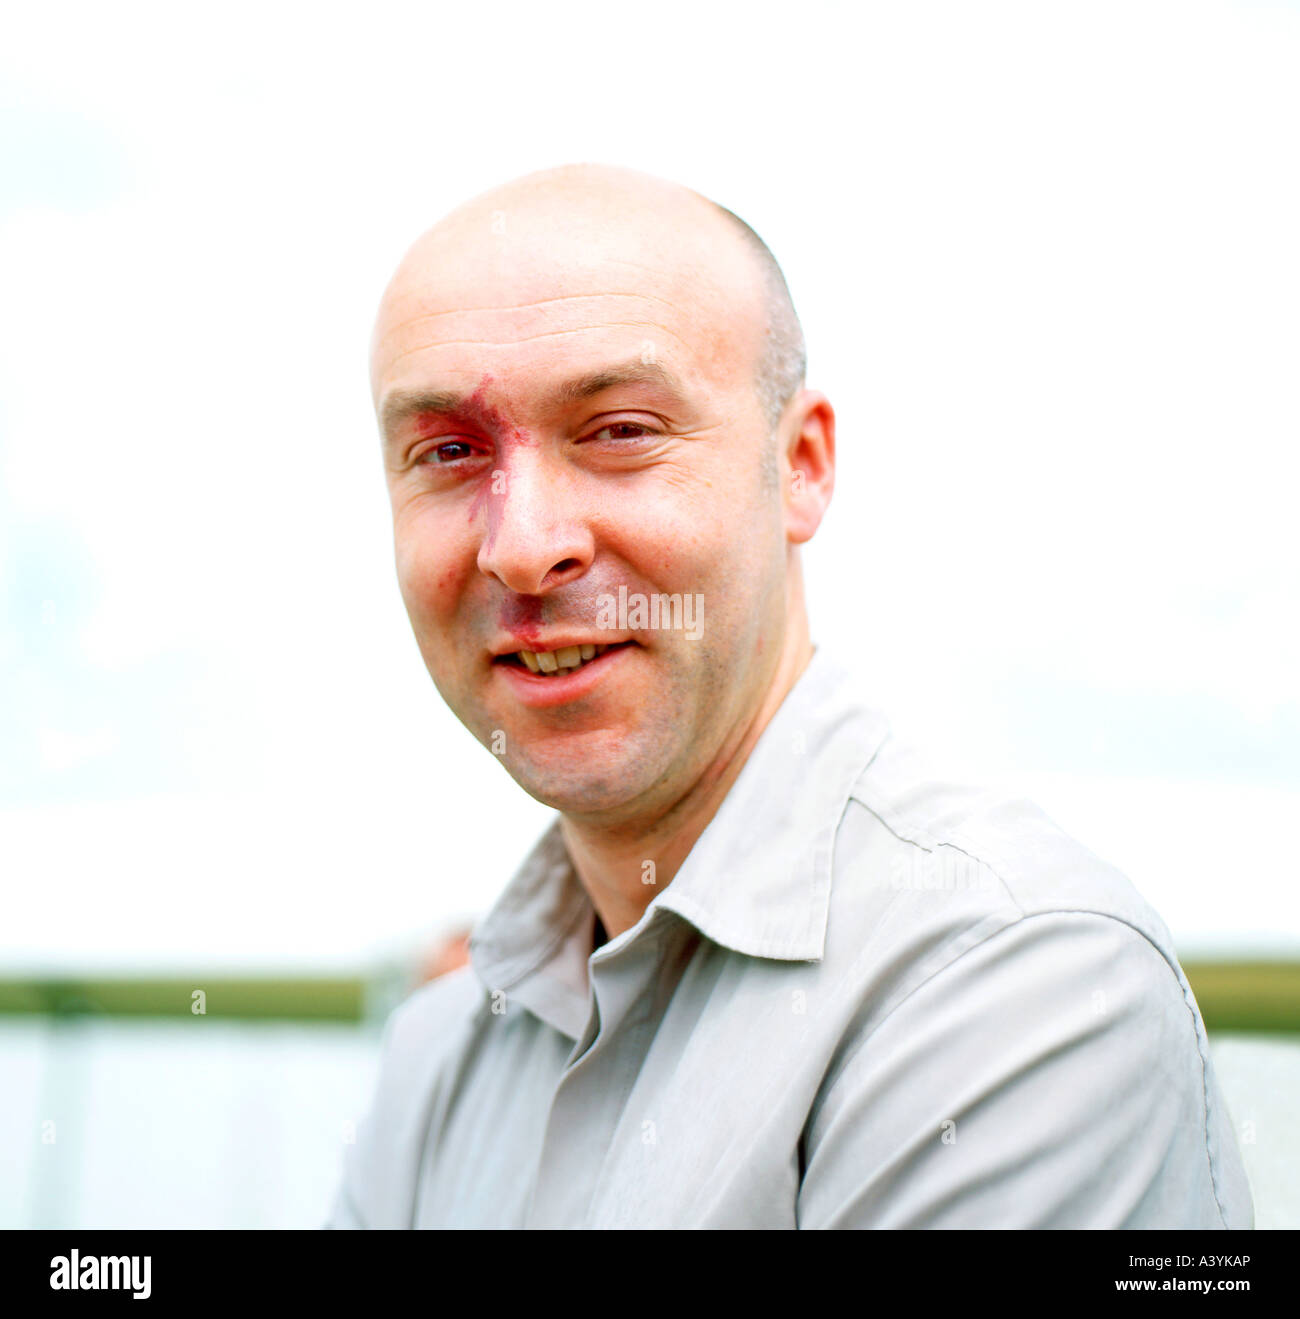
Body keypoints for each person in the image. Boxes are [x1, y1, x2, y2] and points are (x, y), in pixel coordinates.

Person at [326, 164, 1252, 1229]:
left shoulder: (1018, 983)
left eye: (620, 429)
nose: (526, 546)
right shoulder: (442, 1050)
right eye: (447, 451)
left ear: (801, 465)